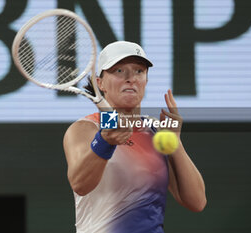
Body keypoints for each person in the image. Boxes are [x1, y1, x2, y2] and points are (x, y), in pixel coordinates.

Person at [63, 41, 206, 233]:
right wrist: (105, 141)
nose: (131, 78)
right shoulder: (84, 128)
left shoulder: (156, 131)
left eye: (139, 71)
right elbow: (79, 184)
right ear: (100, 83)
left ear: (146, 81)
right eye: (119, 71)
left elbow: (196, 202)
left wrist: (175, 143)